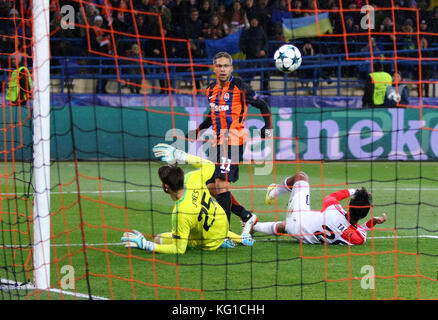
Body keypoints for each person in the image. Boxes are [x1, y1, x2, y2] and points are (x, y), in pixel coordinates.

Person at [187, 51, 272, 236]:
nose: (222, 69)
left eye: (226, 66)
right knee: (210, 188)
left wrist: (268, 127)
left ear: (231, 68)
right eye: (219, 66)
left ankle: (223, 233)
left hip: (234, 140)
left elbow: (263, 105)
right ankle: (246, 216)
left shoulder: (240, 87)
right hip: (218, 142)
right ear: (214, 68)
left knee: (221, 184)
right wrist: (199, 130)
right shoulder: (210, 90)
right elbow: (212, 116)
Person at [120, 143, 254, 254]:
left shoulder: (180, 212)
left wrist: (146, 244)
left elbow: (179, 249)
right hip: (223, 223)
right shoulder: (192, 178)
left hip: (210, 242)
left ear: (166, 187)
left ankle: (221, 242)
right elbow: (210, 166)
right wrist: (180, 155)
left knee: (159, 239)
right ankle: (236, 238)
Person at [252, 172, 387, 245]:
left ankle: (273, 192)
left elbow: (333, 196)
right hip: (302, 234)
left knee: (302, 177)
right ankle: (253, 226)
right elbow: (360, 230)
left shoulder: (334, 209)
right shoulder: (359, 239)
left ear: (349, 204)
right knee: (286, 226)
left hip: (300, 216)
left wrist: (354, 190)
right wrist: (373, 222)